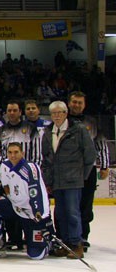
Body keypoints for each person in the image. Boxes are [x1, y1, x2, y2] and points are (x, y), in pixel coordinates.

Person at [41, 101, 96, 258]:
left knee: (73, 213)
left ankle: (76, 244)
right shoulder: (48, 132)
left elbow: (90, 155)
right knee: (60, 214)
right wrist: (48, 181)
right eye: (54, 113)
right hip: (57, 181)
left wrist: (82, 175)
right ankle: (64, 244)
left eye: (60, 112)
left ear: (66, 113)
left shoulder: (78, 130)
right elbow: (46, 159)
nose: (57, 116)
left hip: (73, 180)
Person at [0, 142, 54, 259]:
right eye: (10, 152)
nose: (13, 155)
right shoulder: (4, 165)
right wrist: (12, 200)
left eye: (16, 152)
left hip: (33, 212)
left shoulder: (30, 168)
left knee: (36, 255)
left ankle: (48, 241)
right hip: (15, 207)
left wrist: (39, 213)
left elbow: (35, 192)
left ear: (23, 153)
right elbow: (6, 186)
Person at [67, 91, 110, 249]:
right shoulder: (63, 121)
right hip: (67, 170)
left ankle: (83, 236)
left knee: (85, 205)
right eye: (74, 102)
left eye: (80, 102)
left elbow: (101, 145)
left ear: (84, 105)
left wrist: (104, 166)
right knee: (68, 205)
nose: (77, 105)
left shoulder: (92, 122)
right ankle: (66, 235)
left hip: (88, 170)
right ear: (69, 103)